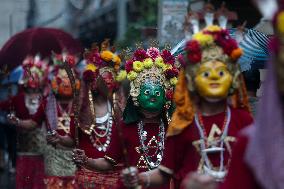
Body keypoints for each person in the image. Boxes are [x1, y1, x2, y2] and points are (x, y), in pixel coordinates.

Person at [122, 25, 254, 189]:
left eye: (221, 72)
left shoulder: (245, 122)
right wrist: (140, 178)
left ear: (233, 77)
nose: (214, 77)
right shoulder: (182, 123)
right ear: (192, 78)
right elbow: (163, 173)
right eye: (206, 73)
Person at [72, 46, 179, 189]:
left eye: (158, 93)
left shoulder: (173, 128)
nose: (153, 95)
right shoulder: (125, 126)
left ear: (167, 95)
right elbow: (108, 163)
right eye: (147, 91)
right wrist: (86, 160)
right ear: (135, 93)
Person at [47, 40, 124, 188]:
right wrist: (59, 139)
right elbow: (72, 139)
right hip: (87, 177)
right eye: (102, 77)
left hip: (115, 177)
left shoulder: (121, 109)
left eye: (110, 77)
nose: (107, 80)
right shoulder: (80, 109)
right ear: (92, 81)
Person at [8, 53, 80, 189]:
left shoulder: (81, 105)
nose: (65, 83)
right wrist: (17, 121)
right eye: (62, 79)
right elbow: (33, 124)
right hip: (53, 157)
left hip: (74, 158)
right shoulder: (47, 103)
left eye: (69, 79)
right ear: (55, 82)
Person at [1, 56, 49, 189]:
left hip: (42, 152)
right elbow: (3, 105)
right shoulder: (18, 99)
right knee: (25, 182)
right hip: (23, 150)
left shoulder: (46, 100)